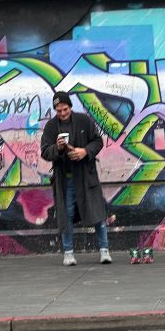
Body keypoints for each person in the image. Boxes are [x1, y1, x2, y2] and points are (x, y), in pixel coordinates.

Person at [41, 91, 111, 266]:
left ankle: (104, 250)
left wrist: (84, 152)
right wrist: (57, 148)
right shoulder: (51, 127)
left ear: (70, 107)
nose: (62, 113)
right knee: (67, 215)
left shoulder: (84, 121)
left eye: (65, 109)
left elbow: (98, 141)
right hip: (65, 180)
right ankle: (68, 253)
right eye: (59, 110)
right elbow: (45, 151)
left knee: (97, 212)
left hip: (86, 176)